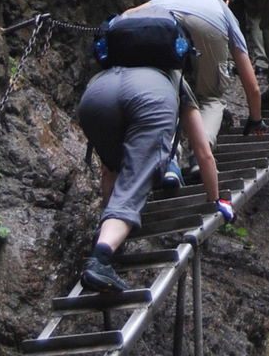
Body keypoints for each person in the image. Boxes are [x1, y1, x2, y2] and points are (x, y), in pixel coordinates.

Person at [78, 15, 233, 300]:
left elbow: (109, 172)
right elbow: (203, 152)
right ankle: (101, 259)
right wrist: (215, 200)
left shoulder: (111, 67)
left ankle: (108, 235)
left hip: (95, 94)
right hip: (150, 99)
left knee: (116, 169)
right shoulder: (171, 78)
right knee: (136, 181)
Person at [122, 0, 264, 146]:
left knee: (164, 89)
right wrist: (255, 118)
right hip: (209, 23)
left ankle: (166, 154)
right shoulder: (222, 8)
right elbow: (250, 82)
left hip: (161, 19)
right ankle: (200, 156)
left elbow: (128, 14)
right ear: (227, 2)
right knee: (210, 97)